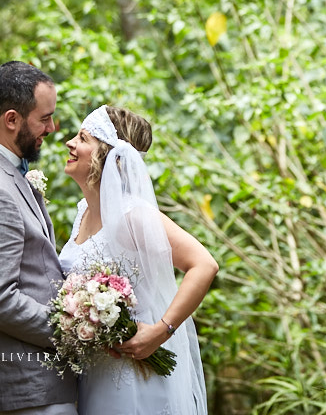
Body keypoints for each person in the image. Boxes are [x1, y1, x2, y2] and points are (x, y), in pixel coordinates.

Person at [59, 105, 218, 415]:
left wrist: (160, 331)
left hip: (132, 375)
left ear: (105, 155)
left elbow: (204, 264)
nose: (69, 143)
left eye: (82, 138)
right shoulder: (84, 211)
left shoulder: (133, 215)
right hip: (95, 372)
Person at [0, 61, 78, 415]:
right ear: (11, 119)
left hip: (37, 379)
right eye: (44, 118)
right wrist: (76, 331)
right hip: (29, 382)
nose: (53, 128)